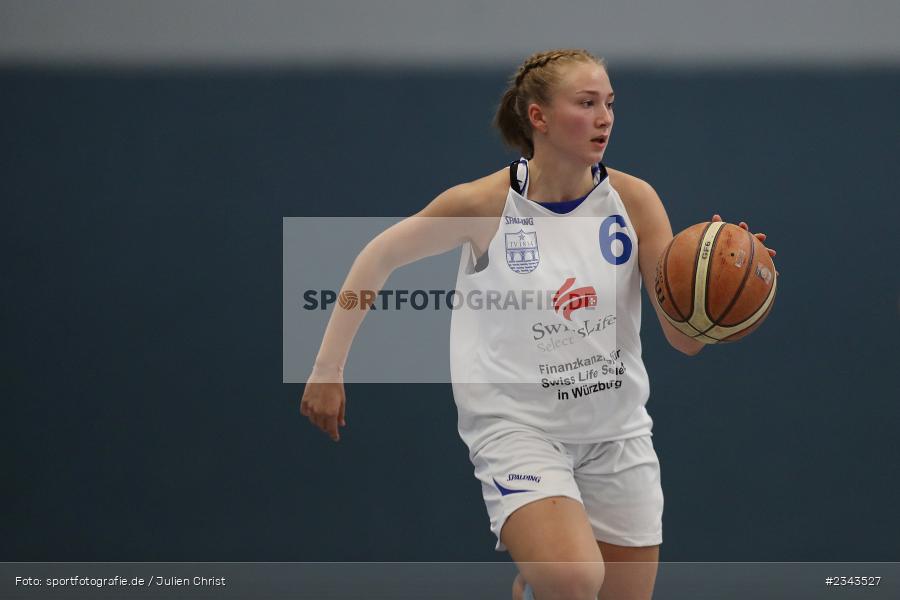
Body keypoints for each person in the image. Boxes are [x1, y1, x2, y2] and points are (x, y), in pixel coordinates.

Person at [300, 48, 776, 600]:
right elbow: (377, 257)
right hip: (519, 429)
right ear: (539, 116)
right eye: (587, 103)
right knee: (574, 578)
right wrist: (328, 367)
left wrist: (709, 290)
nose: (604, 118)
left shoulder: (635, 201)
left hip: (617, 432)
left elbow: (681, 339)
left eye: (610, 104)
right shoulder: (484, 203)